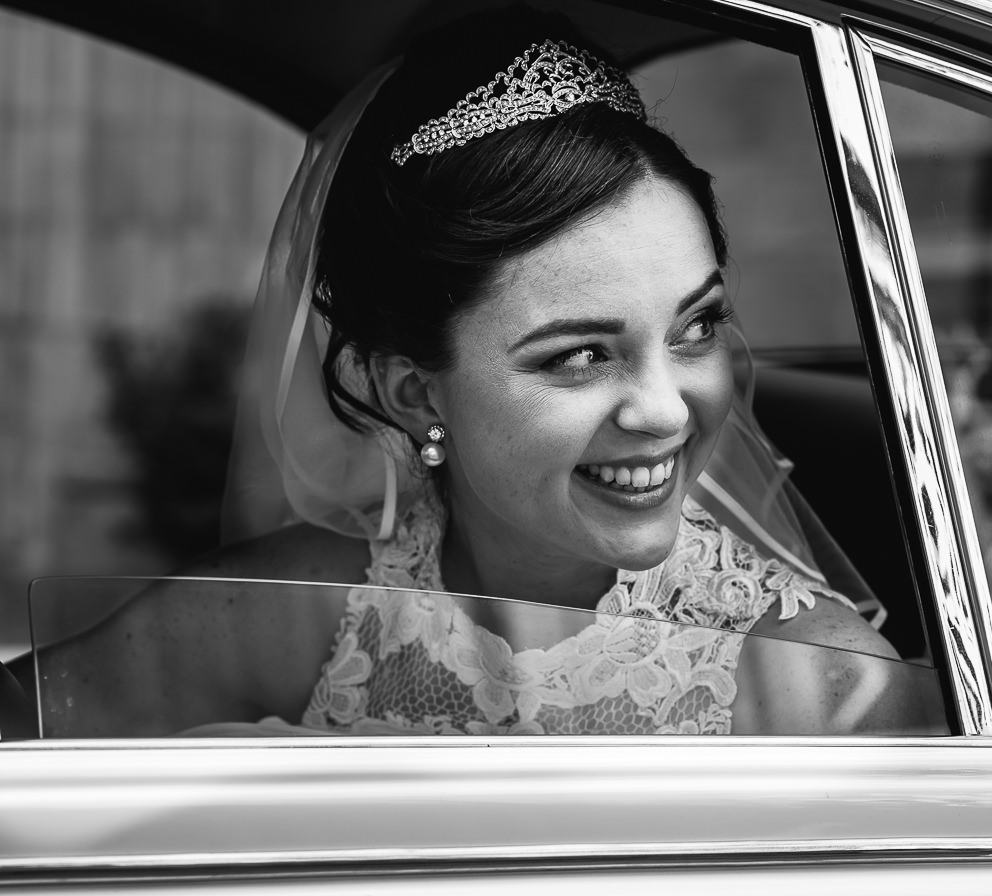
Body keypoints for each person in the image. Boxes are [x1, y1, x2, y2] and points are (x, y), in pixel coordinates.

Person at [27, 6, 927, 738]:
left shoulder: (823, 688)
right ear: (412, 391)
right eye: (581, 354)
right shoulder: (302, 614)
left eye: (695, 328)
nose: (665, 412)